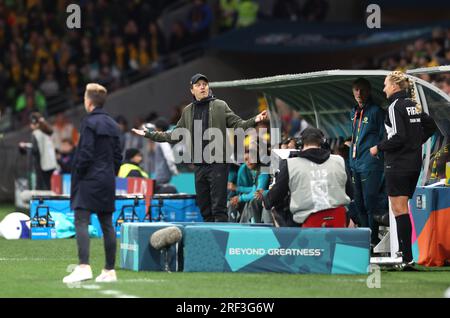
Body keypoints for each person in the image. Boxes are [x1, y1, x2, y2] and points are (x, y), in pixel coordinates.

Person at [132, 73, 268, 222]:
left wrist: (255, 119)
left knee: (218, 208)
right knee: (204, 207)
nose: (202, 87)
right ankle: (210, 240)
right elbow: (173, 135)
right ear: (192, 90)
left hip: (218, 164)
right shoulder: (188, 111)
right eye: (198, 85)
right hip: (199, 165)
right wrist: (148, 134)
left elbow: (238, 124)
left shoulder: (220, 105)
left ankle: (221, 242)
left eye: (205, 84)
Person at [370, 71, 437, 269]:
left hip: (397, 164)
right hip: (413, 164)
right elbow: (431, 126)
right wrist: (417, 142)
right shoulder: (412, 106)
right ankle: (405, 255)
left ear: (395, 87)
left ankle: (406, 258)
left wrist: (378, 147)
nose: (383, 88)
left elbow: (398, 136)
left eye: (385, 84)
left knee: (399, 211)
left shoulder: (394, 106)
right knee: (402, 210)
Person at [63, 83, 122, 284]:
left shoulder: (89, 122)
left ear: (88, 102)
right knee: (107, 224)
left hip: (89, 179)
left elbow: (85, 153)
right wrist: (109, 174)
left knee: (81, 220)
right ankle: (109, 271)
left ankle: (83, 266)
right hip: (107, 179)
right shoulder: (114, 125)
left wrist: (78, 174)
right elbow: (118, 156)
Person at [263, 127, 350, 227]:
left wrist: (266, 201)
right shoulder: (339, 161)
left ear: (301, 144)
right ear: (322, 143)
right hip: (339, 220)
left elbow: (275, 196)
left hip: (307, 224)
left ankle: (289, 242)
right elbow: (350, 193)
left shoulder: (290, 164)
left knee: (276, 208)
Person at [349, 78, 387, 247]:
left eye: (362, 90)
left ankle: (372, 239)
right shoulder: (354, 112)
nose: (359, 93)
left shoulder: (376, 111)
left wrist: (377, 151)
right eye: (356, 90)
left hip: (370, 164)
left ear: (369, 90)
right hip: (355, 164)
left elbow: (384, 135)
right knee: (358, 203)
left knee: (370, 201)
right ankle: (365, 237)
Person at [19, 112, 57, 190]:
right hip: (51, 163)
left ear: (34, 123)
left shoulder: (36, 133)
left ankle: (43, 202)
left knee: (40, 187)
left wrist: (25, 146)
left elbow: (35, 150)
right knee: (48, 186)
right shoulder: (46, 132)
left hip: (42, 164)